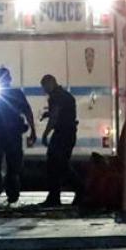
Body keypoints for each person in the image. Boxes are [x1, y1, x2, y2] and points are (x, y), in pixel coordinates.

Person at [0, 66, 37, 206]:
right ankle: (6, 194)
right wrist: (33, 131)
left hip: (0, 133)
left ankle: (0, 194)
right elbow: (27, 112)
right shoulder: (15, 94)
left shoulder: (12, 94)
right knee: (4, 166)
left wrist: (33, 130)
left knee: (2, 166)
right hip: (6, 133)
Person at [40, 74, 81, 206]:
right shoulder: (64, 95)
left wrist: (45, 133)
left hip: (62, 134)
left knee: (56, 164)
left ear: (50, 83)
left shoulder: (56, 96)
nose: (44, 90)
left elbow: (55, 116)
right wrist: (49, 114)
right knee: (59, 164)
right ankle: (56, 196)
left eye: (44, 87)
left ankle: (78, 189)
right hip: (68, 133)